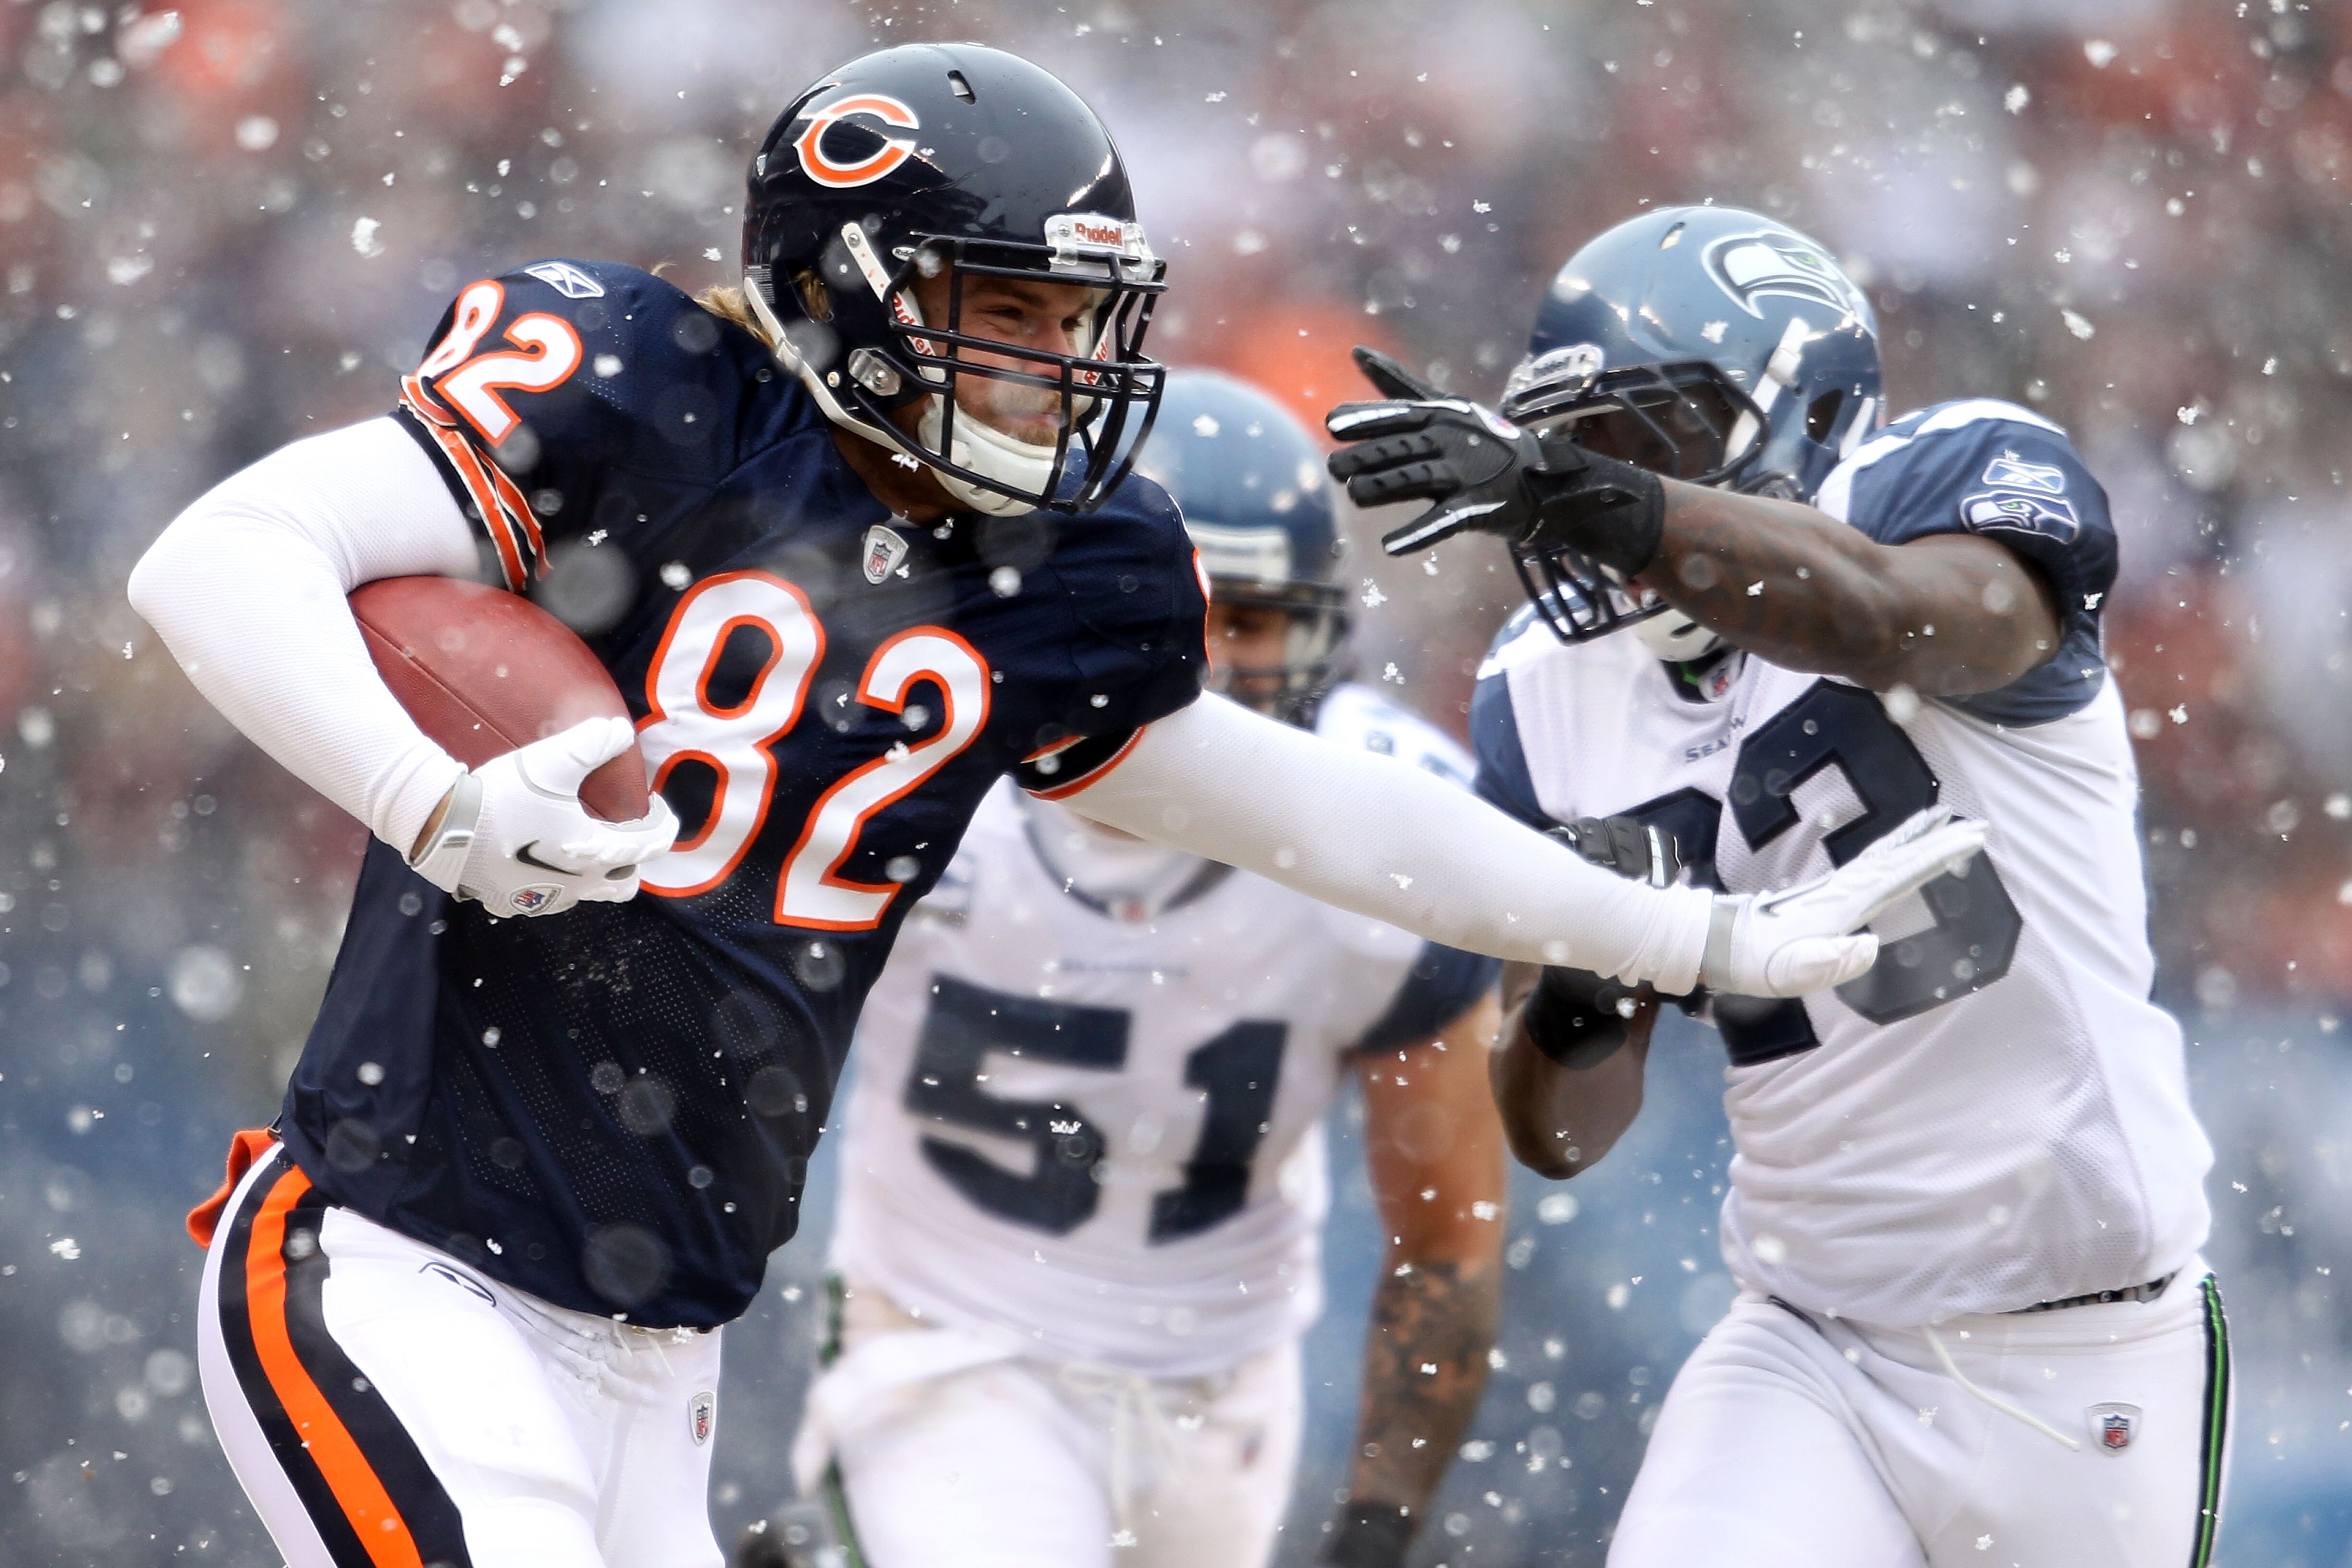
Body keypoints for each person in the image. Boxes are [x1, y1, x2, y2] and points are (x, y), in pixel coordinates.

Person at [127, 35, 1975, 1565]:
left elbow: (1320, 815)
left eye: (1075, 321)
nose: (1056, 371)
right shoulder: (647, 392)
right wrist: (426, 799)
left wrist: (1689, 928)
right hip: (395, 1261)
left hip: (659, 1351)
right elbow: (222, 556)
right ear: (847, 292)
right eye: (1003, 315)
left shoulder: (1046, 568)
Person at [1324, 204, 2226, 1568]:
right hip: (1810, 1339)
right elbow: (1560, 1131)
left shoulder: (1952, 475)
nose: (1583, 479)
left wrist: (1594, 499)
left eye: (1637, 435)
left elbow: (1893, 619)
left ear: (1799, 412)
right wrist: (1584, 989)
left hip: (2087, 1328)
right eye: (1572, 442)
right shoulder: (1541, 689)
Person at [762, 371, 1504, 1568]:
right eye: (1153, 598)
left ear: (1319, 636)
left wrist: (1375, 1531)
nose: (1189, 660)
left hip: (1222, 1396)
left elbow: (1444, 1247)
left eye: (1246, 619)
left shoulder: (1380, 840)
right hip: (944, 1343)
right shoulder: (910, 765)